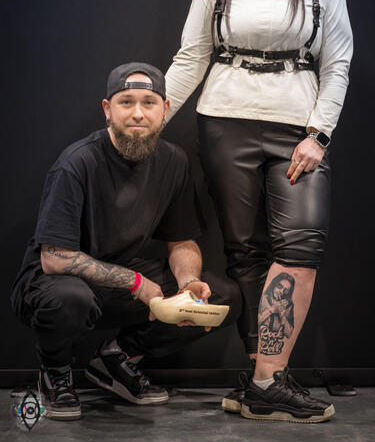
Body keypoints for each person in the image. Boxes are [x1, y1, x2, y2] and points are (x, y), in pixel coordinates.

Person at [165, 0, 353, 423]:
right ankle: (262, 382)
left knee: (300, 245)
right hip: (225, 121)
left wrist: (318, 134)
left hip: (297, 128)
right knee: (244, 249)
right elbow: (191, 57)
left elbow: (337, 65)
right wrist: (151, 119)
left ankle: (268, 379)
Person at [10, 62, 241, 421]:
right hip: (53, 283)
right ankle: (54, 373)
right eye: (126, 102)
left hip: (120, 284)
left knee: (223, 294)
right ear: (108, 109)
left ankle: (115, 360)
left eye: (149, 103)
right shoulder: (77, 162)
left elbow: (181, 241)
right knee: (71, 298)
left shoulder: (173, 161)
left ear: (165, 109)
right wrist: (136, 283)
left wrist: (187, 285)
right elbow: (55, 258)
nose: (137, 113)